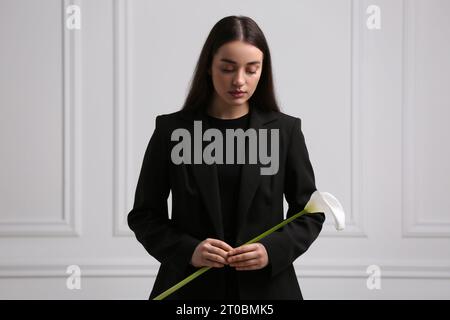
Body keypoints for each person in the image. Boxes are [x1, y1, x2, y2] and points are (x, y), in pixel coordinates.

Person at [127, 15, 325, 300]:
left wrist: (272, 250)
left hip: (267, 292)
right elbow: (144, 215)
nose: (239, 81)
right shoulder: (171, 131)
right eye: (228, 68)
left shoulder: (285, 131)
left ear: (263, 71)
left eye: (252, 69)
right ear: (209, 66)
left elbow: (310, 212)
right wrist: (188, 250)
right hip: (190, 292)